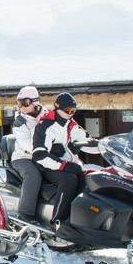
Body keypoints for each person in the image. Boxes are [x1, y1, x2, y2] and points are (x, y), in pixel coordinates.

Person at [32, 92, 99, 225]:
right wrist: (63, 165)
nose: (70, 113)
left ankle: (81, 220)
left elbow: (85, 140)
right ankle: (57, 220)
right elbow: (39, 155)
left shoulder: (71, 124)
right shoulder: (46, 125)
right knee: (69, 180)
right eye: (68, 110)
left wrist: (104, 146)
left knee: (88, 177)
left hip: (66, 164)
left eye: (74, 111)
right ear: (57, 108)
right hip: (47, 166)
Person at [10, 85, 44, 224]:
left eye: (25, 102)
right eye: (19, 103)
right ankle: (25, 214)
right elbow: (26, 145)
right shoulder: (20, 121)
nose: (21, 107)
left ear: (35, 102)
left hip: (43, 156)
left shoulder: (47, 116)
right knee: (33, 174)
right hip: (23, 157)